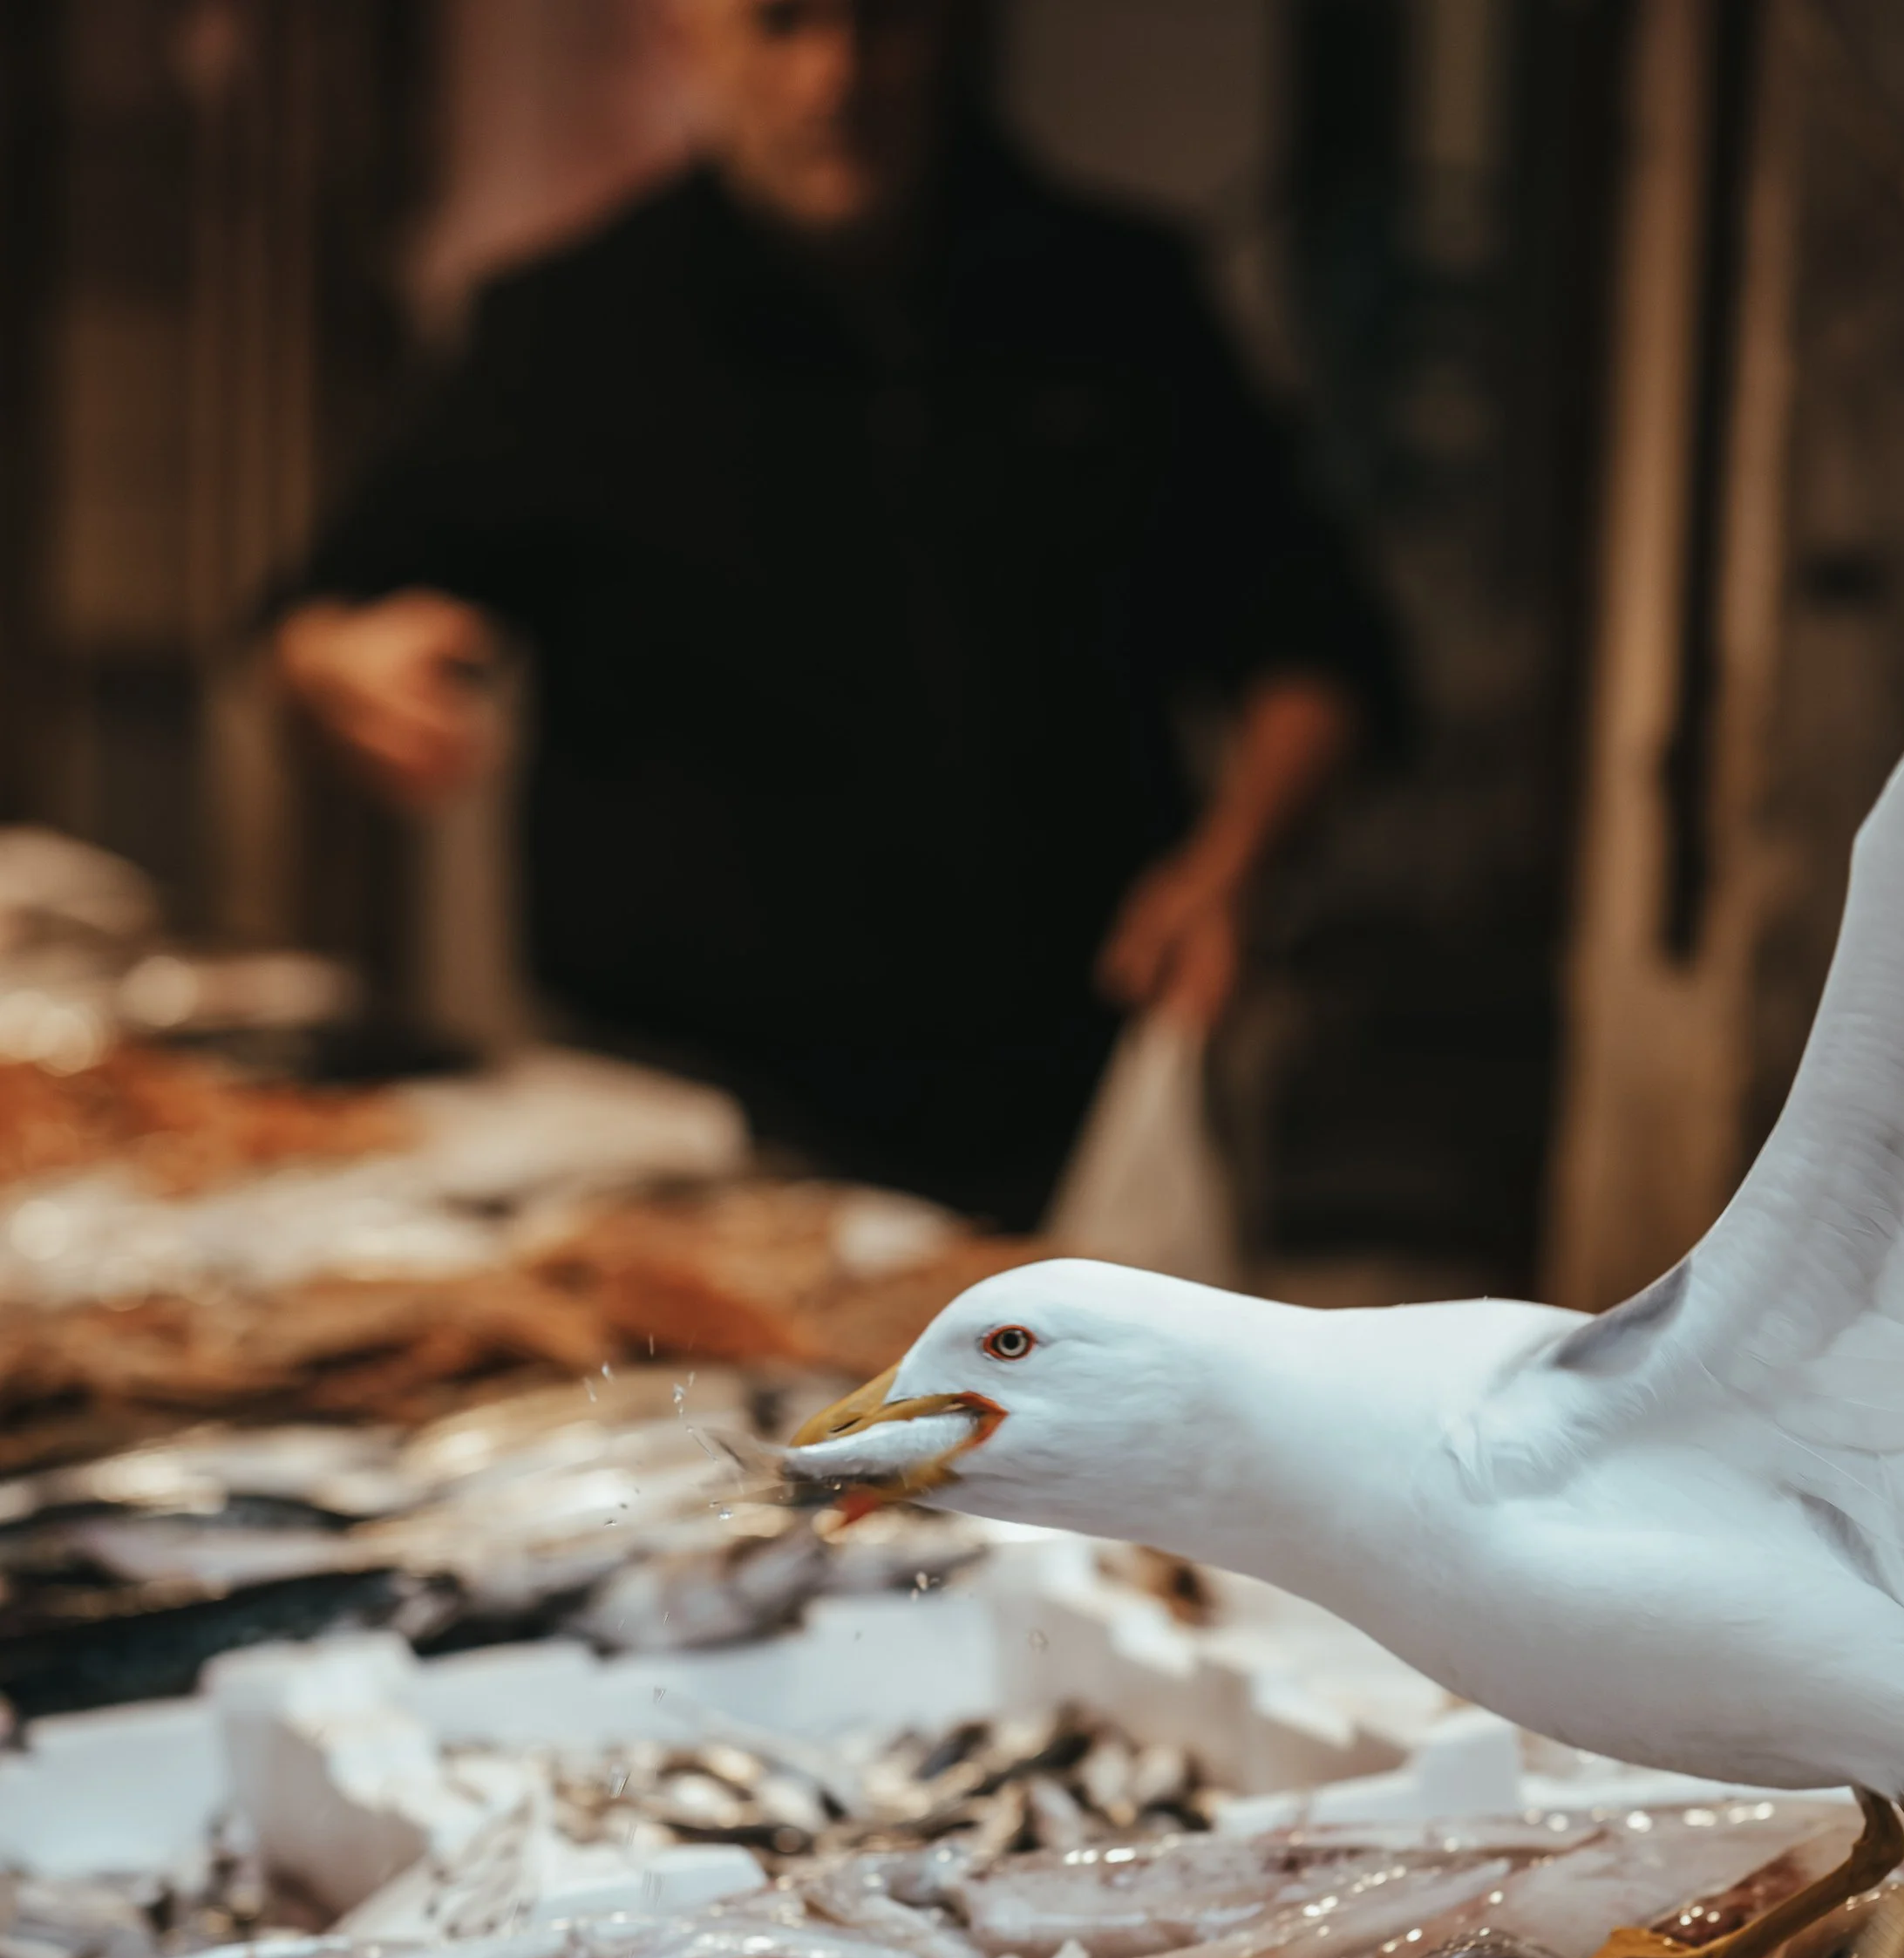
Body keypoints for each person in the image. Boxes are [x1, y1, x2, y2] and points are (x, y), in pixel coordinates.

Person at [271, 0, 1403, 1227]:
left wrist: (1234, 862)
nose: (835, 78)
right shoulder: (567, 326)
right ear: (686, 26)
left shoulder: (1120, 301)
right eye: (782, 23)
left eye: (885, 21)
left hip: (1048, 1115)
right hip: (671, 1125)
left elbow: (1315, 643)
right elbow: (323, 608)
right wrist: (344, 667)